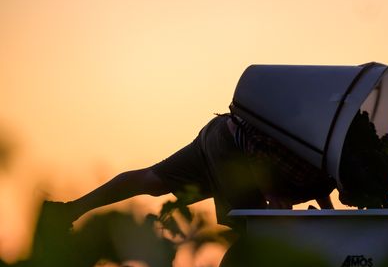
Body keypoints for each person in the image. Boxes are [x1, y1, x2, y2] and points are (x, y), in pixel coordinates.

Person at [46, 113, 336, 228]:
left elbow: (321, 186)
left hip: (219, 131)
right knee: (254, 226)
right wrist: (270, 194)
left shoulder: (329, 176)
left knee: (153, 181)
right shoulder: (324, 168)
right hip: (231, 143)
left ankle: (69, 210)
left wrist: (330, 215)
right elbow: (257, 148)